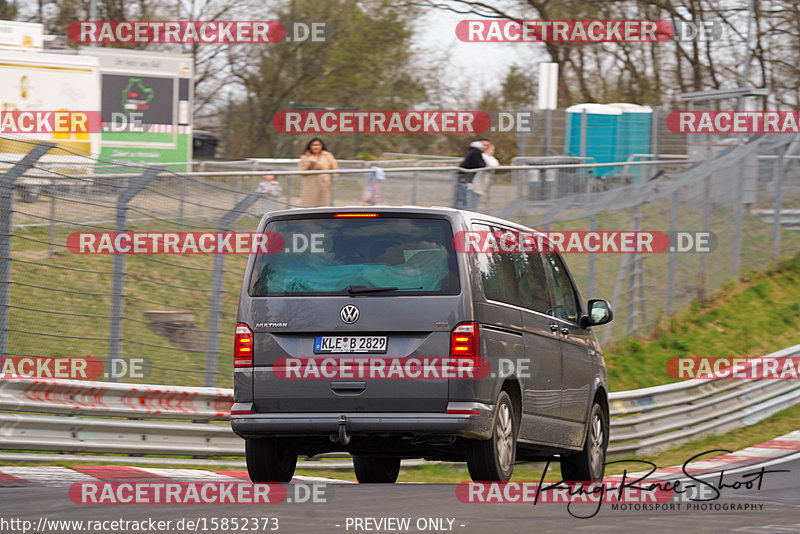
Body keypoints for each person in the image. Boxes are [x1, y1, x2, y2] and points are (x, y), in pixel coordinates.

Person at [298, 138, 338, 207]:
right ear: (310, 146)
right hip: (310, 184)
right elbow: (301, 172)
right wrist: (309, 167)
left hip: (325, 184)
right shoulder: (305, 157)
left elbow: (335, 169)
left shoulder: (328, 156)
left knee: (324, 205)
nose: (315, 147)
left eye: (318, 145)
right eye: (313, 145)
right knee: (309, 205)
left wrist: (331, 180)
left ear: (321, 146)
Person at [454, 139, 486, 209]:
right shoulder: (476, 152)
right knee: (465, 199)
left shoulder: (470, 152)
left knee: (460, 199)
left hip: (463, 178)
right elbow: (481, 164)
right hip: (465, 179)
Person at [467, 141, 499, 209]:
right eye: (491, 150)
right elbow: (492, 165)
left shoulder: (490, 158)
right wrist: (485, 154)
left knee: (474, 204)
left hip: (481, 185)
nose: (493, 151)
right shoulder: (482, 156)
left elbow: (495, 164)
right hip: (474, 186)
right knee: (470, 205)